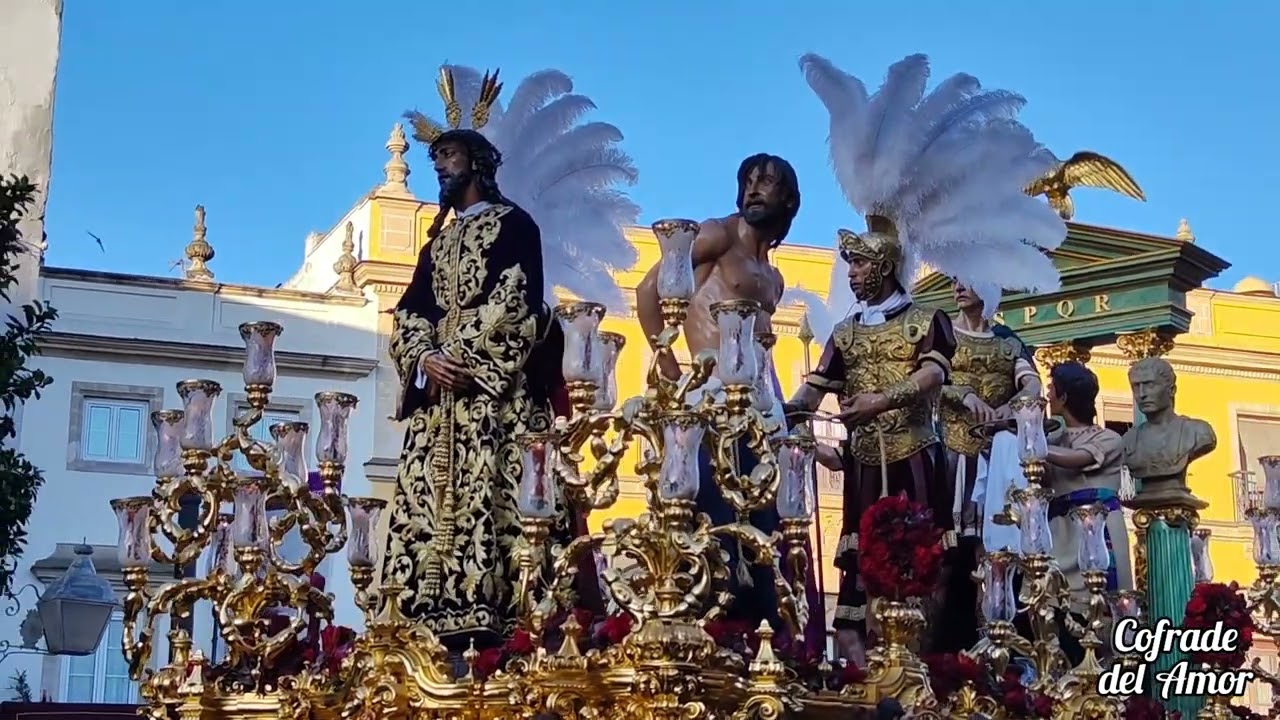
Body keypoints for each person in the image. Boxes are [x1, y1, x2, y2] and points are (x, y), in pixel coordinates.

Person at [789, 53, 1067, 663]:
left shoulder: (927, 319)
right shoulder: (845, 329)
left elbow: (933, 374)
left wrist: (881, 400)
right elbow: (814, 384)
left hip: (917, 459)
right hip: (864, 465)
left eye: (859, 263)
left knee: (922, 561)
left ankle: (921, 665)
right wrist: (786, 414)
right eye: (850, 263)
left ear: (883, 265)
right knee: (856, 569)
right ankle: (860, 671)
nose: (851, 272)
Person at [381, 126, 580, 653]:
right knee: (429, 506)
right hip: (438, 402)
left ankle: (503, 625)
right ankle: (424, 621)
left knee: (499, 503)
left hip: (495, 399)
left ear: (477, 160)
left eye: (448, 155)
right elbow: (409, 312)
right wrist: (425, 358)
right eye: (436, 158)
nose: (441, 167)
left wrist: (462, 357)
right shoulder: (438, 241)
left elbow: (519, 303)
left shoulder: (515, 225)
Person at [635, 153, 825, 653]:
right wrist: (672, 369)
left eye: (768, 182)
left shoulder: (775, 278)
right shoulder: (718, 235)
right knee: (712, 516)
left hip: (763, 407)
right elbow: (650, 289)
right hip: (709, 398)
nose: (755, 189)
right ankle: (709, 628)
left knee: (767, 525)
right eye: (749, 180)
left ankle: (760, 633)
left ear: (789, 199)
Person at [937, 281, 1041, 651]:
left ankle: (995, 639)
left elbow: (1031, 387)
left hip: (994, 459)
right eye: (954, 279)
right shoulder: (942, 333)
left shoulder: (1008, 341)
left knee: (993, 552)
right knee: (948, 553)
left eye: (968, 279)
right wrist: (962, 394)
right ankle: (946, 643)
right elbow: (928, 380)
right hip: (950, 458)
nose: (958, 286)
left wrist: (1007, 410)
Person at [1043, 361, 1134, 664]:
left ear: (1064, 396)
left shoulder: (1108, 438)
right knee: (1050, 606)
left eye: (1051, 388)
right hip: (1059, 532)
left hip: (1096, 529)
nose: (1047, 395)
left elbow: (1079, 459)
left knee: (1100, 611)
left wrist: (1032, 445)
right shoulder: (1052, 436)